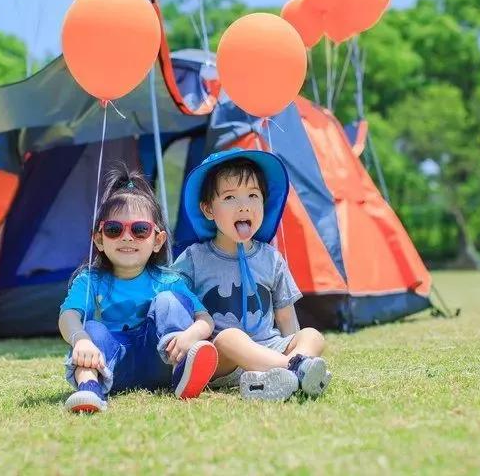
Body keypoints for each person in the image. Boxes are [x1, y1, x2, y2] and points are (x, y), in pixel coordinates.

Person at [174, 149, 331, 401]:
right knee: (230, 337)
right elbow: (174, 303)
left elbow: (286, 318)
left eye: (252, 195)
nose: (244, 205)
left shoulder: (271, 258)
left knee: (312, 335)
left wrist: (294, 344)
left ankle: (279, 373)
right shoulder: (194, 258)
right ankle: (296, 370)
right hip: (223, 361)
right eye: (230, 197)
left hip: (270, 346)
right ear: (208, 210)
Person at [58, 166, 218, 413]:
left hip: (161, 361)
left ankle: (181, 371)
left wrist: (191, 336)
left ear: (158, 241)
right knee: (91, 329)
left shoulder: (169, 281)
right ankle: (89, 387)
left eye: (139, 230)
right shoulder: (90, 280)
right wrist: (80, 341)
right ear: (99, 239)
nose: (127, 237)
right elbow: (68, 316)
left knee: (169, 301)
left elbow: (204, 319)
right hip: (111, 364)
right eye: (114, 229)